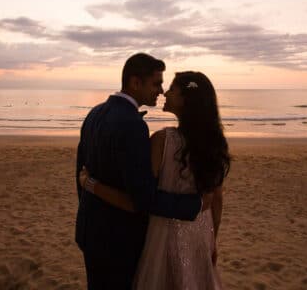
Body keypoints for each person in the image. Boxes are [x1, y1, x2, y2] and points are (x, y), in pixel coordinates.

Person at [81, 71, 230, 289]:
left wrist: (91, 185)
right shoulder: (214, 144)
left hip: (164, 237)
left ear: (185, 100)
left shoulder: (162, 141)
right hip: (200, 233)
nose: (165, 93)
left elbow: (141, 199)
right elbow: (217, 200)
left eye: (172, 89)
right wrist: (212, 240)